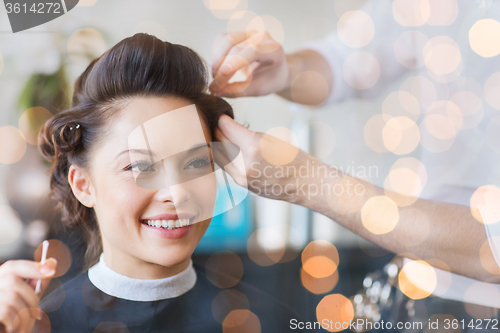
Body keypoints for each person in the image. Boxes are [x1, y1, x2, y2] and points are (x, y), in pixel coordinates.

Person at [210, 0, 500, 309]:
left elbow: (492, 251)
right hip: (426, 289)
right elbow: (348, 58)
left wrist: (307, 182)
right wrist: (285, 70)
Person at [0, 33, 299, 333]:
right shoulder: (38, 327)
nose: (178, 193)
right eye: (141, 166)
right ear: (83, 185)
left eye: (196, 163)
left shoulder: (266, 321)